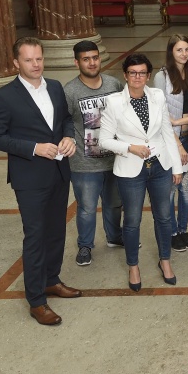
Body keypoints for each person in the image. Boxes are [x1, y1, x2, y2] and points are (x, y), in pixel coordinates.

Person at [0, 37, 81, 325]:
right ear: (16, 62)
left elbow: (65, 119)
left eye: (39, 58)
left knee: (56, 231)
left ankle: (51, 280)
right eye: (29, 60)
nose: (36, 64)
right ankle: (37, 300)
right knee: (36, 236)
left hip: (58, 171)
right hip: (29, 177)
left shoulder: (54, 86)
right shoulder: (4, 96)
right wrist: (34, 148)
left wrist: (68, 137)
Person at [99, 53, 183, 292]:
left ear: (148, 75)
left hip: (159, 166)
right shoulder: (114, 102)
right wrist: (130, 147)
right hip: (130, 169)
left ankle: (165, 260)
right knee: (133, 220)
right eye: (133, 73)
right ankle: (133, 265)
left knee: (165, 216)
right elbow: (104, 140)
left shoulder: (156, 96)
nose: (138, 77)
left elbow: (167, 132)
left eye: (142, 73)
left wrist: (176, 166)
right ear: (125, 75)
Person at [63, 40, 124, 266]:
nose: (92, 62)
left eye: (95, 57)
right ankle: (85, 246)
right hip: (84, 164)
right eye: (86, 59)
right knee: (87, 208)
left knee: (114, 203)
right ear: (76, 62)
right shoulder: (69, 91)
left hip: (114, 159)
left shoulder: (114, 84)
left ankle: (115, 237)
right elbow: (64, 123)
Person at [153, 34, 188, 253]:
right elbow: (160, 111)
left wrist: (180, 122)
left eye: (187, 49)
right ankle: (172, 231)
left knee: (186, 187)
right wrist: (177, 144)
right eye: (179, 50)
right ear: (171, 52)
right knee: (172, 187)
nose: (184, 54)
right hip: (170, 141)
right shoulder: (161, 77)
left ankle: (183, 230)